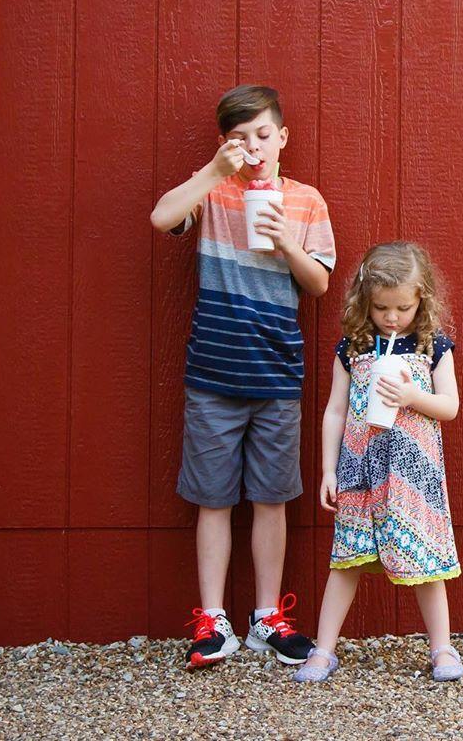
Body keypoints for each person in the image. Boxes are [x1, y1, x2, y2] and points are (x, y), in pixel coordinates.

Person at [150, 84, 334, 669]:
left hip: (276, 376)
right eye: (239, 137)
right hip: (212, 374)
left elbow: (320, 283)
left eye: (262, 135)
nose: (253, 147)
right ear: (225, 144)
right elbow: (161, 218)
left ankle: (267, 618)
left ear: (282, 138)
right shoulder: (216, 191)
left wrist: (284, 241)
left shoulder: (306, 201)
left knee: (272, 500)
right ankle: (212, 619)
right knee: (212, 500)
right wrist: (211, 170)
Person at [294, 241, 463, 683]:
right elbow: (336, 409)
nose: (391, 317)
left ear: (421, 299)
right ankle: (323, 650)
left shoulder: (433, 347)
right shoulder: (354, 348)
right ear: (365, 301)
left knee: (425, 564)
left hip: (413, 474)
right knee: (346, 561)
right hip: (360, 469)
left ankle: (442, 649)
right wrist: (329, 469)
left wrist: (412, 397)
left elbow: (449, 406)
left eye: (402, 308)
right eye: (381, 307)